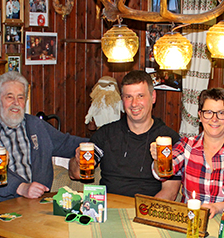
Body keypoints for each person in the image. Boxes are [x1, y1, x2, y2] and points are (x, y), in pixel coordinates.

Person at [0, 72, 87, 219]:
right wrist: (22, 187)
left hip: (37, 205)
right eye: (9, 97)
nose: (16, 102)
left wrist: (99, 144)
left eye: (20, 97)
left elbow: (66, 143)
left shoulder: (36, 125)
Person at [69, 70, 181, 198]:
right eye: (128, 97)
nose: (134, 104)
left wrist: (144, 214)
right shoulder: (106, 133)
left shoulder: (168, 139)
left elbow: (170, 192)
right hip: (107, 210)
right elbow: (76, 174)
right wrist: (77, 161)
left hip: (146, 209)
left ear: (153, 97)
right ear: (122, 99)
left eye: (140, 96)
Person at [151, 88, 224, 218]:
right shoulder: (186, 145)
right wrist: (158, 159)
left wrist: (216, 208)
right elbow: (162, 173)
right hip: (190, 220)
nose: (214, 119)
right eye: (208, 113)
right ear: (200, 116)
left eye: (221, 113)